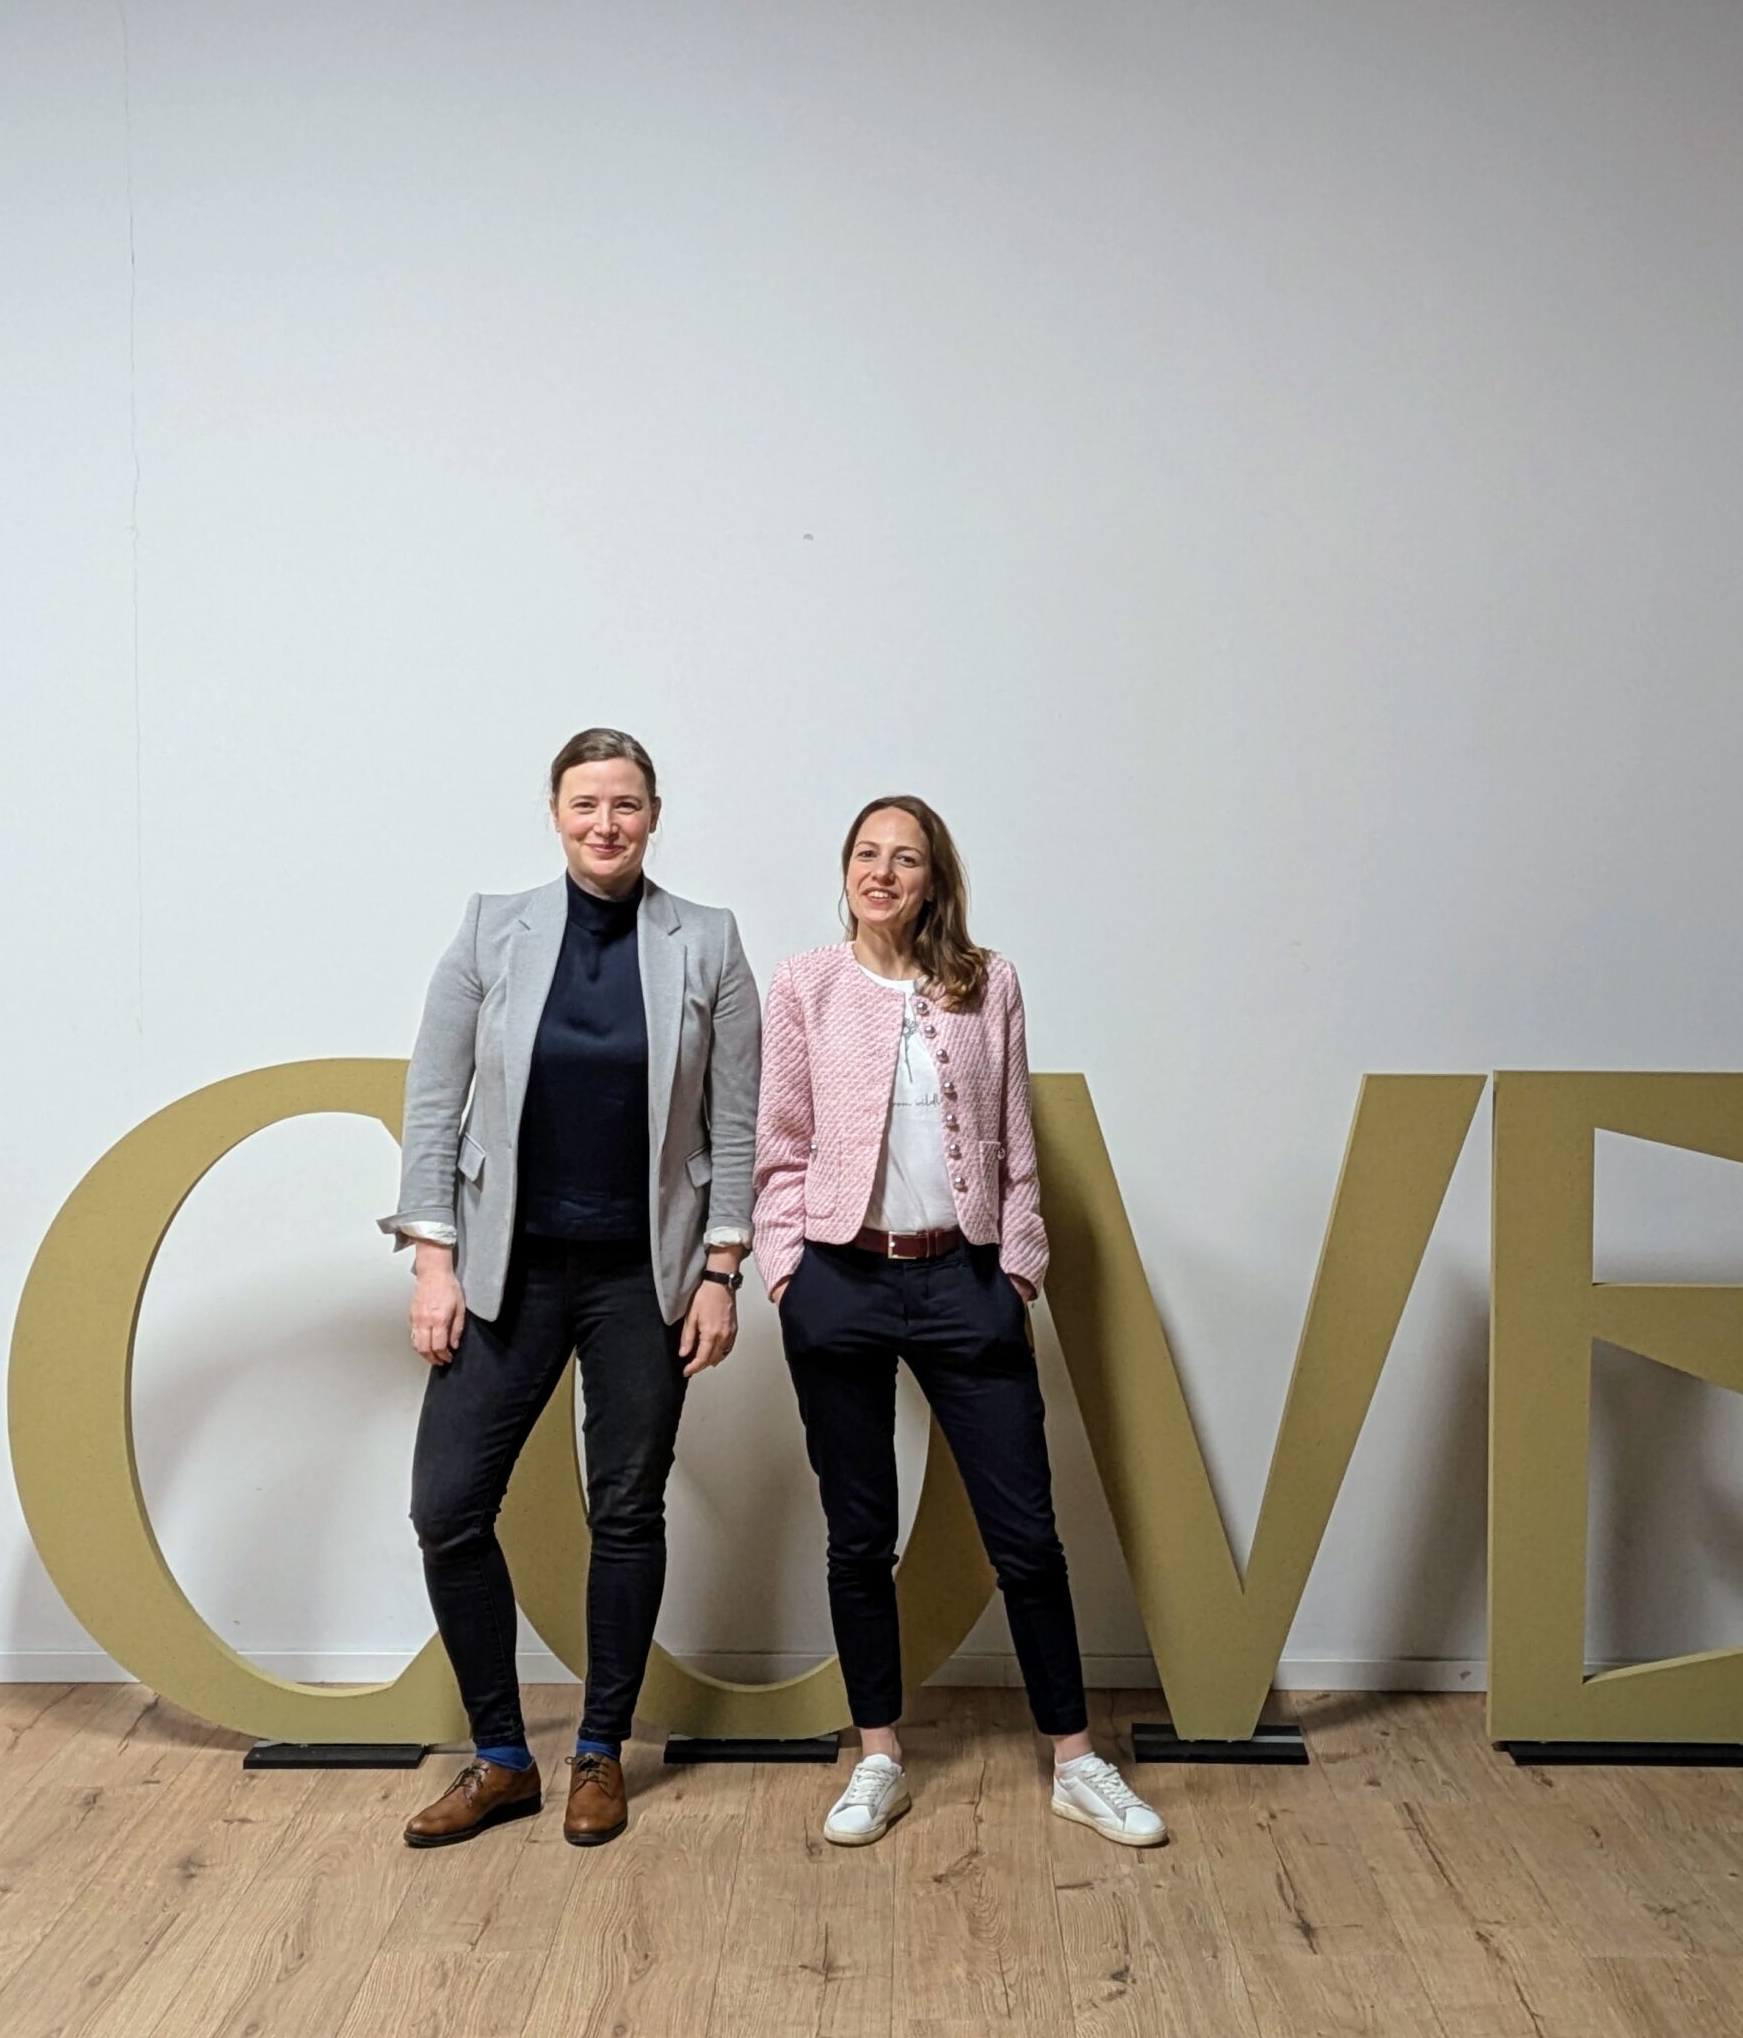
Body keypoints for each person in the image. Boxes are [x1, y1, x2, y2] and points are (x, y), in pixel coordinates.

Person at [753, 795, 1166, 1849]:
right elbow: (779, 1143)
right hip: (840, 1279)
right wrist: (788, 1272)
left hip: (964, 1280)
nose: (881, 873)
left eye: (904, 858)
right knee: (859, 1535)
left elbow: (1016, 1143)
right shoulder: (804, 983)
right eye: (865, 854)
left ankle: (1076, 1760)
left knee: (1025, 1536)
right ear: (844, 869)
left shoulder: (990, 983)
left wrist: (1015, 1269)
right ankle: (878, 1755)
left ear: (933, 877)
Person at [381, 727, 760, 1850]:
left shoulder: (708, 941)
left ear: (654, 817)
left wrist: (721, 1271)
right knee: (447, 1507)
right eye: (586, 803)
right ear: (555, 813)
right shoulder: (489, 930)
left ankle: (600, 1750)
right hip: (510, 1267)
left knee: (625, 1510)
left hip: (645, 1274)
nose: (607, 823)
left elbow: (734, 1123)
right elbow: (432, 1102)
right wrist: (435, 1262)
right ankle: (502, 1758)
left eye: (626, 804)